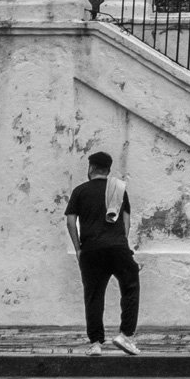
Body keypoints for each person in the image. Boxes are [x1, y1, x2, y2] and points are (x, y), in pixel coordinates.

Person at [65, 152, 140, 356]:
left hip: (91, 250)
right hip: (117, 247)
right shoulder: (119, 190)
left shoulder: (80, 191)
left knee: (93, 295)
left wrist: (79, 248)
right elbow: (126, 221)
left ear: (91, 168)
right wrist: (120, 242)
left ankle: (96, 343)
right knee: (130, 285)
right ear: (108, 170)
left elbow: (71, 221)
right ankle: (125, 335)